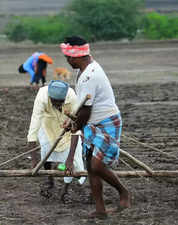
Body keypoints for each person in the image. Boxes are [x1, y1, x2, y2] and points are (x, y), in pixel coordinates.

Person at [60, 36, 131, 218]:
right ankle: (101, 210)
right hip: (92, 122)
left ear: (78, 56)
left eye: (69, 57)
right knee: (91, 168)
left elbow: (85, 111)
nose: (67, 61)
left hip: (106, 121)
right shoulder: (84, 71)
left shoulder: (90, 75)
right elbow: (82, 106)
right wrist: (73, 122)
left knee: (97, 165)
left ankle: (123, 192)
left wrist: (74, 126)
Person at [27, 80, 86, 198]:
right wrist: (34, 160)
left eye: (61, 102)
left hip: (68, 125)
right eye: (55, 102)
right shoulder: (42, 97)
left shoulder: (72, 97)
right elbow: (33, 127)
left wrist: (69, 159)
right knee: (46, 154)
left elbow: (76, 128)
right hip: (48, 123)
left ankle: (65, 189)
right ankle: (49, 179)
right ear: (50, 98)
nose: (58, 105)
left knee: (74, 165)